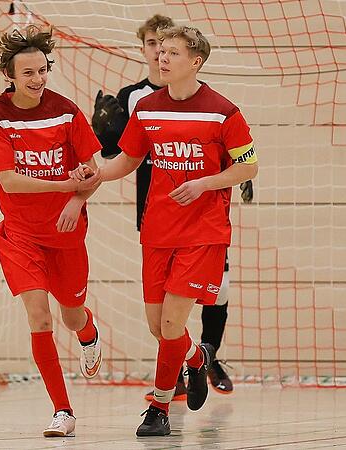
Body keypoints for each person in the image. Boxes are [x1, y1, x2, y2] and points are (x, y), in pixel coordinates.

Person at [74, 25, 258, 436]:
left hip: (204, 232)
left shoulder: (223, 111)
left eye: (173, 52)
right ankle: (197, 358)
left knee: (172, 325)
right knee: (158, 327)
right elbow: (128, 159)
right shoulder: (148, 108)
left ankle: (158, 407)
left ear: (195, 62)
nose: (163, 57)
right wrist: (96, 174)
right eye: (161, 51)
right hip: (157, 229)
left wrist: (205, 183)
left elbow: (248, 166)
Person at [0, 25, 104, 438]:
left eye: (42, 70)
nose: (37, 78)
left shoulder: (66, 110)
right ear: (10, 75)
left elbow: (93, 170)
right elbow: (10, 181)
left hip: (66, 234)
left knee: (71, 315)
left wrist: (77, 198)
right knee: (38, 315)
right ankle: (62, 410)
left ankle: (89, 333)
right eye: (27, 73)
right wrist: (65, 185)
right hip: (20, 236)